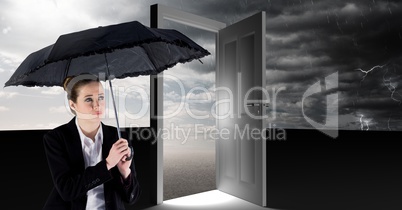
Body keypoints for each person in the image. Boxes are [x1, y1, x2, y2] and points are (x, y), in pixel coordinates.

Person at [42, 74, 140, 210]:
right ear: (73, 104)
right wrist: (107, 164)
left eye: (100, 97)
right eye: (89, 99)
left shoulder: (118, 136)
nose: (97, 105)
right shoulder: (56, 138)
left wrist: (125, 172)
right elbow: (67, 191)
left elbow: (131, 198)